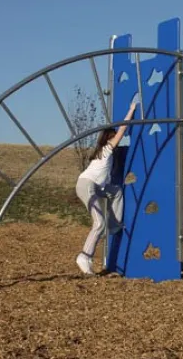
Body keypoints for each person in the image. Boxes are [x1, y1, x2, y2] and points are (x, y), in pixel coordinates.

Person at [75, 101, 138, 275]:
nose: (117, 138)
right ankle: (84, 256)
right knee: (98, 222)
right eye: (114, 136)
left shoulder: (103, 154)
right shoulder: (107, 150)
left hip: (97, 187)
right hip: (87, 186)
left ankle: (114, 225)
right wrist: (131, 109)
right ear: (110, 139)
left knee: (116, 191)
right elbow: (123, 129)